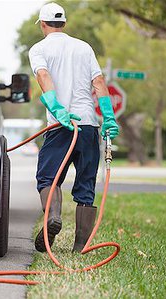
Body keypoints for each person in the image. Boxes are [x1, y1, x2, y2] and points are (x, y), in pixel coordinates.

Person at [29, 2, 119, 252]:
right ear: (64, 23)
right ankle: (79, 246)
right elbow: (99, 81)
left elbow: (44, 77)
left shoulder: (39, 49)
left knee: (48, 177)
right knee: (85, 186)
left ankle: (52, 218)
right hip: (88, 125)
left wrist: (56, 107)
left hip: (61, 125)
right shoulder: (84, 47)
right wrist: (108, 117)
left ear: (43, 25)